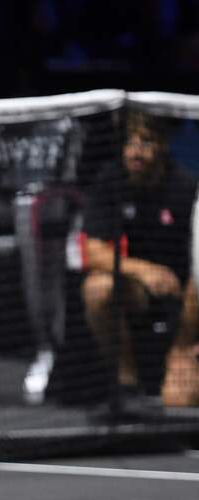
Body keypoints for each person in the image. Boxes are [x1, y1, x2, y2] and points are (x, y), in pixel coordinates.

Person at [81, 111, 199, 406]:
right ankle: (126, 381)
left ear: (162, 145)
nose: (135, 152)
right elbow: (93, 251)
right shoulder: (111, 181)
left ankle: (179, 360)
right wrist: (144, 270)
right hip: (139, 289)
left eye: (145, 142)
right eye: (129, 143)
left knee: (179, 401)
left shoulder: (186, 189)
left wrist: (183, 345)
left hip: (186, 298)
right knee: (97, 289)